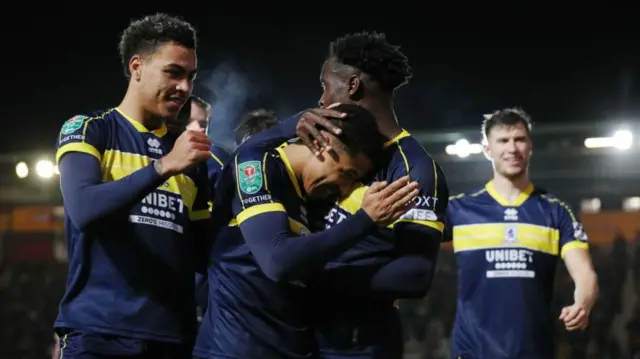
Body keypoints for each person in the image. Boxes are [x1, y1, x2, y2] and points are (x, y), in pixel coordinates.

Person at [246, 31, 448, 359]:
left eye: (326, 86)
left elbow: (415, 274)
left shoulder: (413, 169)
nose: (322, 100)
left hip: (360, 347)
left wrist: (306, 273)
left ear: (352, 86)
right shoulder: (324, 148)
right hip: (302, 340)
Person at [193, 103, 419, 359]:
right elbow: (278, 262)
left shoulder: (309, 195)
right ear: (322, 144)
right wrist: (365, 220)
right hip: (236, 350)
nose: (344, 188)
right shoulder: (257, 166)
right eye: (346, 173)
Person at [54, 13, 211, 359]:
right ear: (137, 66)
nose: (185, 87)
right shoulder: (90, 129)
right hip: (97, 335)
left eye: (190, 77)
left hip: (173, 338)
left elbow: (203, 251)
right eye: (173, 72)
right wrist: (164, 166)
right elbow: (84, 210)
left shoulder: (190, 155)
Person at [445, 108, 599, 359]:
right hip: (472, 352)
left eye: (519, 139)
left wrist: (583, 304)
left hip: (534, 351)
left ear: (530, 146)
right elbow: (408, 243)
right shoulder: (458, 209)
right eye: (503, 141)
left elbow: (584, 272)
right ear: (487, 149)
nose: (512, 148)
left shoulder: (556, 212)